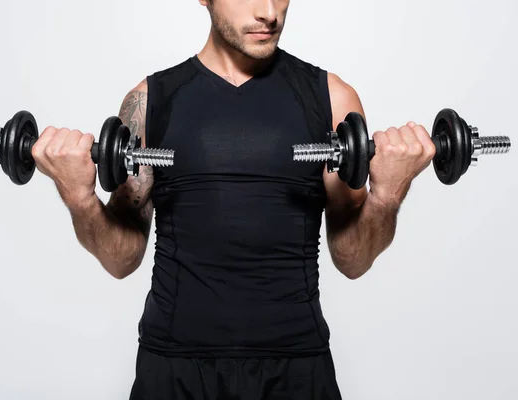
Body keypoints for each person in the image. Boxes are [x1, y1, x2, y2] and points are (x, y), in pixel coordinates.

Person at [31, 1, 436, 398]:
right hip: (174, 369)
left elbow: (353, 259)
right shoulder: (151, 100)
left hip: (296, 367)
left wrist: (386, 195)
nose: (269, 12)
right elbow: (121, 258)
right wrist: (79, 197)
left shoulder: (332, 99)